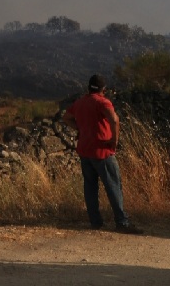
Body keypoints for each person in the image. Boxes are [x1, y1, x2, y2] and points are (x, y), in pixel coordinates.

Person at [63, 74, 143, 234]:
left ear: (88, 87)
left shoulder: (80, 103)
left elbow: (66, 118)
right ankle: (122, 222)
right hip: (102, 150)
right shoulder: (102, 102)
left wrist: (79, 129)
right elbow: (114, 120)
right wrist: (113, 142)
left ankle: (95, 221)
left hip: (85, 150)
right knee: (113, 186)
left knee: (90, 187)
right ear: (103, 90)